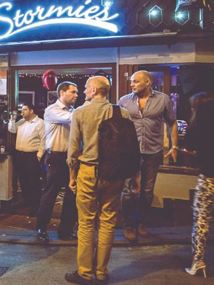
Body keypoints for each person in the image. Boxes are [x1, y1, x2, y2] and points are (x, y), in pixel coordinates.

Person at [65, 76, 133, 285]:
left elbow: (73, 150)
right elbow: (130, 145)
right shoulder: (121, 112)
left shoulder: (80, 112)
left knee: (86, 223)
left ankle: (85, 272)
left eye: (86, 88)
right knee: (108, 222)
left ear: (94, 90)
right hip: (114, 174)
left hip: (88, 171)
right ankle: (102, 271)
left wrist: (72, 175)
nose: (84, 91)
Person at [118, 70, 178, 243]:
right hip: (130, 152)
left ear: (148, 82)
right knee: (129, 191)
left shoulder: (162, 99)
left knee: (147, 190)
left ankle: (141, 223)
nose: (132, 84)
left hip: (153, 151)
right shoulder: (124, 101)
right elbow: (118, 126)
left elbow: (172, 122)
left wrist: (174, 146)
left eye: (136, 81)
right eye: (131, 81)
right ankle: (128, 225)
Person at [36, 82, 79, 242]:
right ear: (62, 92)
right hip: (55, 157)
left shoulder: (74, 111)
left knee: (71, 195)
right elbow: (72, 119)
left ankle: (65, 229)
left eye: (77, 92)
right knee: (50, 193)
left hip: (71, 157)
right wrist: (90, 107)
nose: (76, 95)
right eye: (73, 92)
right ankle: (41, 227)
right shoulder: (52, 110)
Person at [180, 92, 214, 278]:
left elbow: (191, 148)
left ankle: (198, 261)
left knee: (202, 220)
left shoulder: (197, 127)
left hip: (208, 178)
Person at [8, 103, 45, 216]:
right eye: (21, 110)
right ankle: (26, 200)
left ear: (31, 110)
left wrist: (39, 156)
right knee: (23, 179)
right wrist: (12, 119)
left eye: (24, 110)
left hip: (32, 155)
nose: (22, 112)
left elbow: (44, 139)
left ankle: (35, 206)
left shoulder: (40, 123)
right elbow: (12, 130)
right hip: (20, 154)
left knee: (33, 181)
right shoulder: (21, 122)